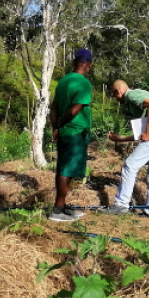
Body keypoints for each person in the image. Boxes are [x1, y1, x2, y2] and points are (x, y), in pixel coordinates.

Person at [98, 80, 149, 218]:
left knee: (129, 166)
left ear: (119, 92)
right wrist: (120, 139)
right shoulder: (139, 100)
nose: (116, 99)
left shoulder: (131, 95)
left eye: (114, 95)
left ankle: (121, 205)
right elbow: (144, 134)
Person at [48, 49, 93, 223]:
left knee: (64, 168)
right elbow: (75, 109)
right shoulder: (84, 83)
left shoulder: (64, 81)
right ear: (88, 65)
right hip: (75, 132)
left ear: (75, 62)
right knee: (66, 170)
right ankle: (57, 209)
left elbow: (54, 108)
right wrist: (61, 124)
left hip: (66, 132)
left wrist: (55, 127)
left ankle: (62, 206)